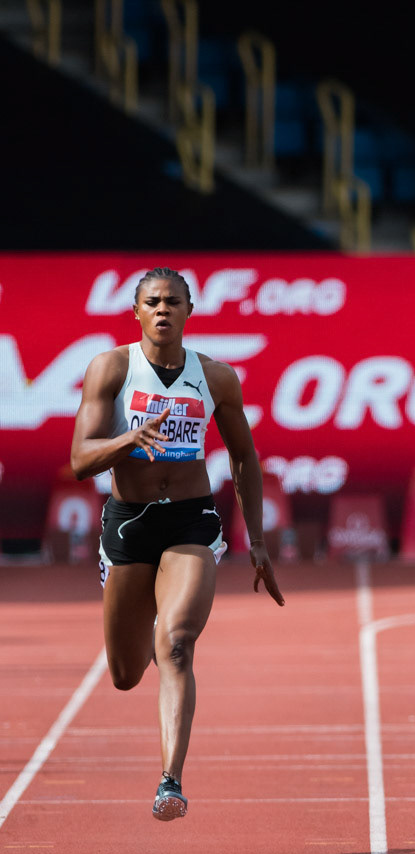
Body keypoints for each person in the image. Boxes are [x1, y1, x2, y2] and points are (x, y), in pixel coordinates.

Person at [69, 267, 285, 821]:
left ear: (190, 311)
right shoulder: (112, 368)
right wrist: (128, 440)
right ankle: (143, 630)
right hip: (128, 523)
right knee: (124, 673)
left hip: (193, 520)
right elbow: (78, 461)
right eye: (152, 302)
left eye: (173, 302)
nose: (162, 310)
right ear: (136, 312)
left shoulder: (215, 379)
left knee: (178, 643)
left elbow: (244, 457)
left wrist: (256, 541)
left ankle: (171, 781)